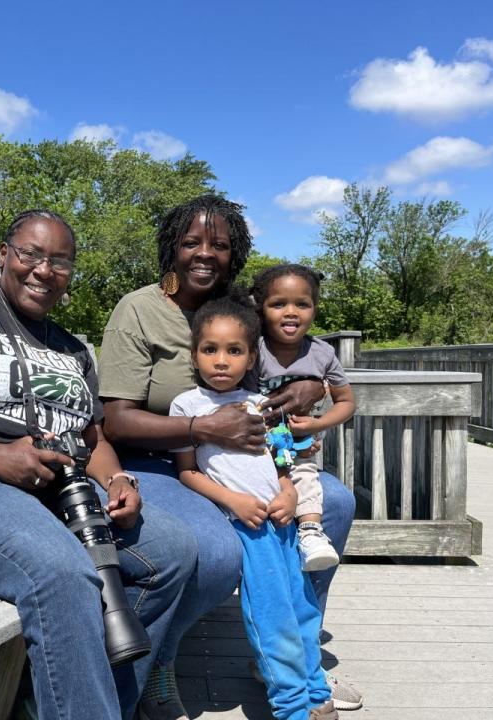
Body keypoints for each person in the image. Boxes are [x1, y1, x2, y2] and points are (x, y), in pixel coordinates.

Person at [0, 210, 197, 720]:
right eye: (30, 253)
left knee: (175, 554)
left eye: (61, 262)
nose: (44, 270)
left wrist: (118, 480)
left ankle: (84, 702)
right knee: (64, 574)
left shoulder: (72, 348)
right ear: (4, 255)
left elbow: (94, 437)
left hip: (51, 498)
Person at [98, 195, 359, 719]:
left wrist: (309, 384)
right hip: (163, 460)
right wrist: (202, 426)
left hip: (253, 457)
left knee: (334, 503)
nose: (204, 254)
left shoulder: (243, 309)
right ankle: (159, 661)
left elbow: (295, 348)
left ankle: (292, 656)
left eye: (219, 244)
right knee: (218, 553)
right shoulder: (141, 310)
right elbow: (116, 420)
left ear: (234, 252)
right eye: (191, 242)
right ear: (171, 246)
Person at [169, 291, 336, 720]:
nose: (221, 360)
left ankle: (315, 690)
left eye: (234, 350)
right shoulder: (189, 406)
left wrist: (289, 492)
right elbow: (187, 472)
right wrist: (233, 501)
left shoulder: (261, 405)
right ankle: (291, 707)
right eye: (210, 350)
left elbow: (280, 459)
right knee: (271, 616)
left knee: (301, 606)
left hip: (280, 519)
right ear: (195, 354)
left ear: (250, 358)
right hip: (247, 526)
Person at [253, 264, 356, 573]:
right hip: (254, 447)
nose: (291, 312)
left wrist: (317, 424)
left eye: (302, 304)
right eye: (278, 304)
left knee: (306, 477)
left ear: (315, 308)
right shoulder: (252, 350)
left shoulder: (322, 353)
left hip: (297, 447)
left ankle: (310, 532)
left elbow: (346, 402)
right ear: (261, 308)